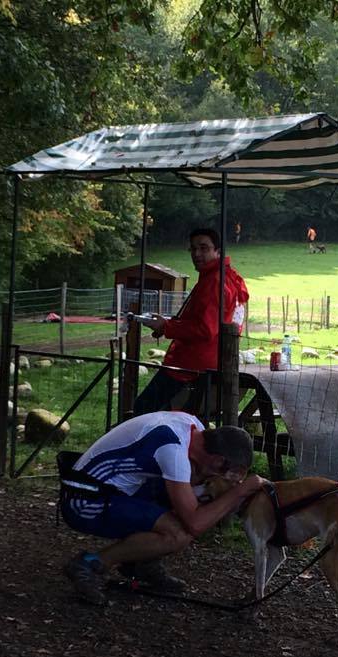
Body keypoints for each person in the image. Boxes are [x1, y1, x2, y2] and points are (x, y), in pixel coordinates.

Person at [60, 411, 266, 605]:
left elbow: (189, 484)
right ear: (219, 460)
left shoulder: (192, 427)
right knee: (179, 534)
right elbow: (195, 524)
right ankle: (89, 564)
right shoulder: (172, 449)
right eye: (228, 474)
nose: (227, 479)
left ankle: (141, 562)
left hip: (103, 488)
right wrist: (239, 492)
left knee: (178, 499)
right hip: (85, 501)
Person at [134, 228, 249, 415]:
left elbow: (206, 329)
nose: (196, 254)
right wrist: (168, 324)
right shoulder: (224, 277)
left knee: (145, 412)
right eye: (193, 249)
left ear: (218, 251)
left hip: (191, 365)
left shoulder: (215, 282)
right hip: (207, 362)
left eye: (204, 248)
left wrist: (167, 326)